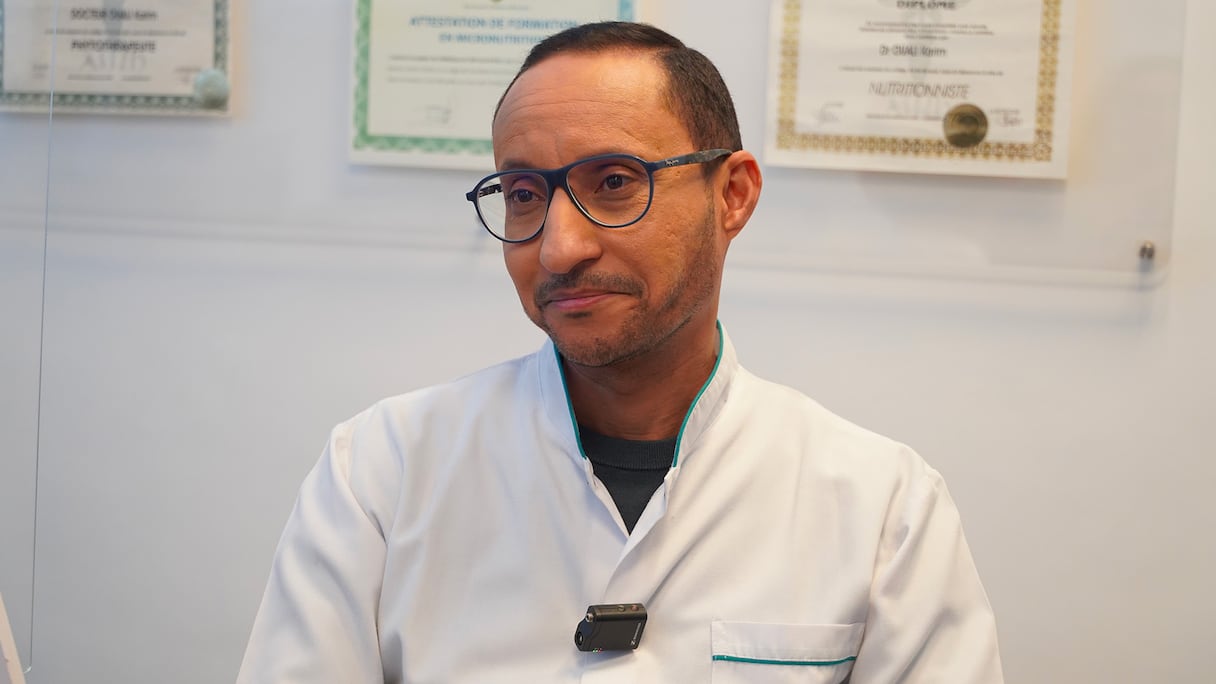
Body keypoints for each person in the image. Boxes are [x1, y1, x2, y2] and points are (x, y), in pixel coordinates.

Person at [237, 22, 1004, 683]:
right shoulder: (381, 474)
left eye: (613, 181)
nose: (558, 248)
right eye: (524, 194)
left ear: (732, 194)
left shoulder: (883, 507)